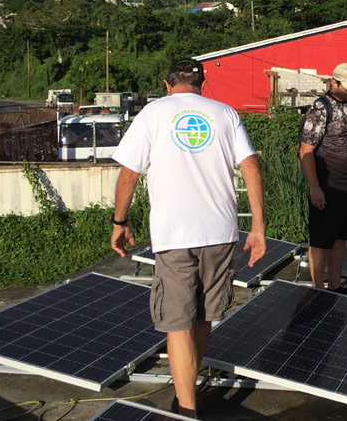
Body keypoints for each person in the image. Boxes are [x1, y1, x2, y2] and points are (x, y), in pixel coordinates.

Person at [110, 58, 266, 418]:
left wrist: (120, 221)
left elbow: (129, 174)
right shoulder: (225, 113)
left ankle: (187, 409)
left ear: (167, 84)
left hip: (174, 233)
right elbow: (251, 168)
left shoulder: (153, 114)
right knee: (204, 318)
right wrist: (257, 229)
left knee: (177, 322)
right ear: (201, 82)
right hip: (220, 231)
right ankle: (187, 391)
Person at [299, 62, 347, 290]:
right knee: (320, 239)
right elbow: (306, 151)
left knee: (341, 237)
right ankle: (318, 289)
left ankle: (334, 286)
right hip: (326, 183)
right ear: (334, 83)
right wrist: (314, 186)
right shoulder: (321, 108)